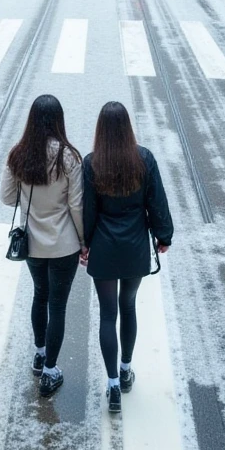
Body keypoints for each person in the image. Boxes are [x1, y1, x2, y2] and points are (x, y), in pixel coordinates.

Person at [82, 102, 173, 414]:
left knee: (107, 315)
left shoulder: (92, 162)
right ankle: (125, 370)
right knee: (129, 307)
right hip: (135, 247)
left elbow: (89, 210)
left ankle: (111, 385)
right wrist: (164, 236)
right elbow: (156, 202)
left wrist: (85, 243)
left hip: (104, 249)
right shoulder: (143, 158)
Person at [0, 95, 85, 398]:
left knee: (40, 295)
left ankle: (39, 353)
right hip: (64, 244)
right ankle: (50, 370)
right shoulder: (70, 157)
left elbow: (8, 198)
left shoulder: (18, 155)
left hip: (32, 243)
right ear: (59, 120)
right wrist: (84, 241)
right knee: (58, 306)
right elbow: (76, 205)